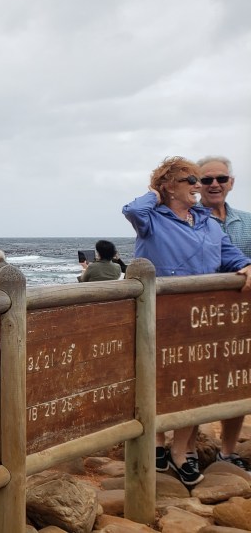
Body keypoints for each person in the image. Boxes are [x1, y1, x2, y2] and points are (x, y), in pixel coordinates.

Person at [123, 155, 251, 486]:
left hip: (199, 316)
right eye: (190, 180)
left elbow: (230, 256)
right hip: (160, 314)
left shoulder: (208, 222)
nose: (198, 186)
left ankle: (181, 452)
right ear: (168, 186)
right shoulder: (152, 219)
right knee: (157, 377)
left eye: (198, 180)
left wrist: (246, 266)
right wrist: (154, 193)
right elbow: (132, 210)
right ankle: (155, 443)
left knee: (192, 382)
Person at [198, 155, 251, 474]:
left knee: (238, 382)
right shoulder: (186, 221)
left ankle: (227, 453)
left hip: (241, 320)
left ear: (231, 182)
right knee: (191, 383)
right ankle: (186, 451)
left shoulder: (247, 221)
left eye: (220, 178)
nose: (214, 184)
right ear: (196, 185)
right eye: (206, 179)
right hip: (198, 319)